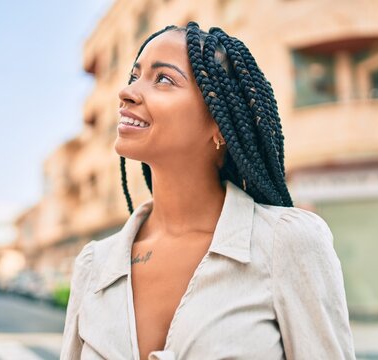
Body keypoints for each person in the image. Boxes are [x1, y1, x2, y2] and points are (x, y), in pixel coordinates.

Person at [60, 21, 355, 360]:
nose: (127, 93)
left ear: (219, 123)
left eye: (164, 79)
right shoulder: (93, 265)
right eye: (134, 76)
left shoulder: (287, 244)